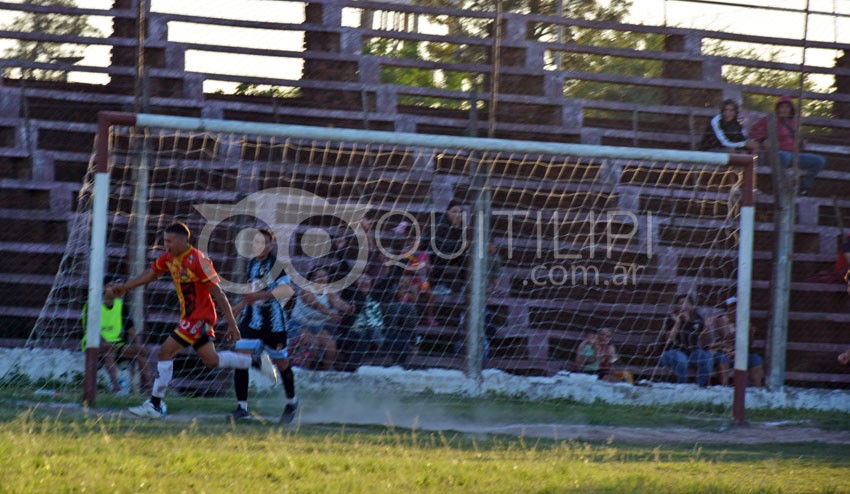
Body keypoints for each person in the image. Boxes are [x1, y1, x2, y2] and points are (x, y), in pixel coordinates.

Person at [109, 222, 278, 419]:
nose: (166, 245)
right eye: (165, 241)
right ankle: (254, 361)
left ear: (182, 241)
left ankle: (155, 404)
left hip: (199, 317)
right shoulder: (169, 258)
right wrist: (127, 287)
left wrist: (232, 323)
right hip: (189, 317)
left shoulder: (198, 260)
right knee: (211, 360)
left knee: (165, 352)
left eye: (169, 241)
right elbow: (152, 273)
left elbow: (219, 293)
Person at [228, 228, 299, 424]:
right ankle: (242, 408)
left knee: (282, 364)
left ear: (270, 245)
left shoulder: (276, 266)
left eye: (263, 242)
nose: (259, 245)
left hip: (273, 325)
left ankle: (292, 402)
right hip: (251, 321)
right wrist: (238, 308)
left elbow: (287, 290)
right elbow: (251, 295)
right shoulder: (251, 264)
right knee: (239, 360)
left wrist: (259, 296)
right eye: (256, 242)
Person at [81, 277, 152, 395]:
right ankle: (117, 388)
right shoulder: (91, 306)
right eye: (110, 285)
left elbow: (131, 328)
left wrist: (138, 343)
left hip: (116, 344)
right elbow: (90, 330)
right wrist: (105, 343)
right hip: (93, 343)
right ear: (103, 288)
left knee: (141, 351)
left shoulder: (120, 305)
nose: (114, 288)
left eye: (115, 285)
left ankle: (151, 390)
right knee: (108, 349)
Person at [748, 95, 826, 196]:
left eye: (787, 107)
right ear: (778, 108)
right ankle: (780, 188)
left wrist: (801, 143)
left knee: (819, 161)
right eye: (782, 107)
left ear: (791, 109)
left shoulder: (793, 123)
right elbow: (753, 132)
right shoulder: (769, 119)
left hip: (793, 156)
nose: (784, 109)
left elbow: (795, 140)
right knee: (784, 157)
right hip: (776, 155)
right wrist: (763, 139)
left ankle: (803, 187)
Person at [287, 266, 354, 370]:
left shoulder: (329, 292)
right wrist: (330, 314)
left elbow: (338, 302)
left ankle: (326, 373)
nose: (322, 279)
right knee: (313, 344)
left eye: (324, 276)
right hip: (298, 325)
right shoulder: (306, 290)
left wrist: (348, 308)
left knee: (331, 346)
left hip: (317, 327)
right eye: (319, 276)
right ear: (312, 279)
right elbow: (316, 305)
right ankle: (304, 371)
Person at [658, 294, 725, 387]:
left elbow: (704, 339)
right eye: (680, 303)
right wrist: (677, 323)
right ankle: (682, 386)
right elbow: (669, 340)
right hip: (671, 353)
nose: (683, 306)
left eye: (685, 303)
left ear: (691, 306)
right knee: (682, 360)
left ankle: (699, 387)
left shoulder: (696, 318)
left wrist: (706, 326)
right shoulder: (671, 318)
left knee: (707, 357)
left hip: (691, 353)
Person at [708, 296, 764, 387]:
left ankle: (757, 388)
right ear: (727, 309)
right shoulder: (721, 319)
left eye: (737, 307)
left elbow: (749, 344)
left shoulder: (745, 321)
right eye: (732, 307)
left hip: (741, 352)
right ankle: (724, 387)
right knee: (722, 358)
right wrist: (742, 328)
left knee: (756, 359)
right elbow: (726, 337)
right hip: (724, 351)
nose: (735, 310)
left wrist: (749, 332)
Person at [334, 275, 385, 371]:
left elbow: (377, 326)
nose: (364, 282)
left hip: (369, 338)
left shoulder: (374, 304)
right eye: (361, 278)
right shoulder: (347, 299)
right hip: (347, 336)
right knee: (359, 336)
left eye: (367, 278)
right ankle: (350, 370)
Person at [429, 201, 468, 295]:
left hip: (452, 253)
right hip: (435, 253)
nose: (457, 214)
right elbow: (439, 244)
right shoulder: (439, 222)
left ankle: (462, 285)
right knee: (441, 254)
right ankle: (436, 285)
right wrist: (461, 246)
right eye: (454, 211)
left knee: (467, 256)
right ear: (448, 212)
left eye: (460, 212)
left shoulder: (460, 225)